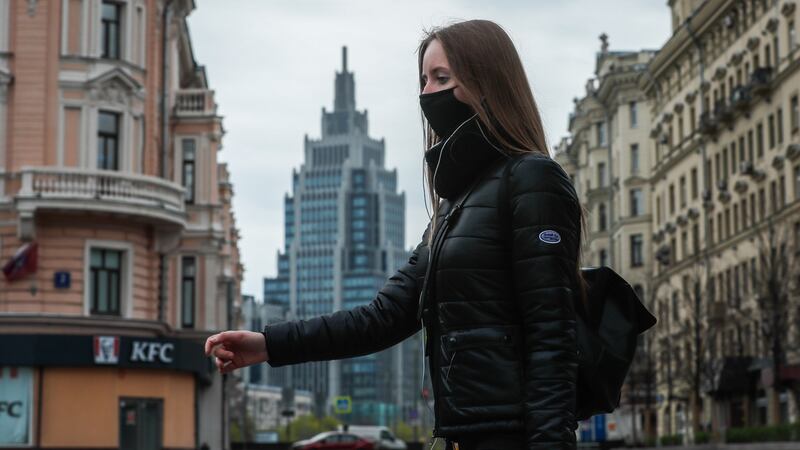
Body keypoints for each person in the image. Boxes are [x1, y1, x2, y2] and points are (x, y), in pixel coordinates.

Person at [206, 19, 584, 450]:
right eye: (424, 79)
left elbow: (552, 336)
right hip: (458, 433)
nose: (426, 92)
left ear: (487, 83)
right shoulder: (451, 207)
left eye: (442, 78)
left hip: (511, 435)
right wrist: (268, 343)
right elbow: (382, 318)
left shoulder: (532, 179)